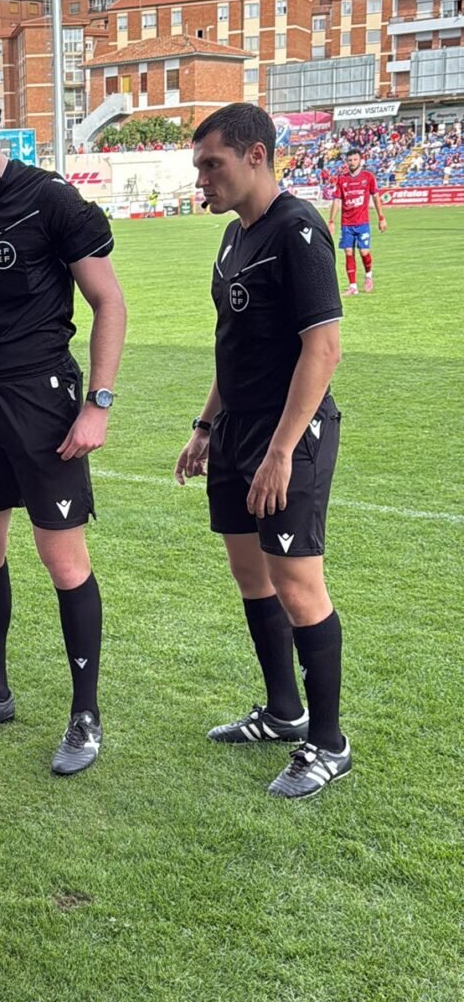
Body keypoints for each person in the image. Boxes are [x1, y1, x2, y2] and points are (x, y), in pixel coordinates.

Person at [0, 65, 127, 775]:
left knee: (62, 561)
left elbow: (110, 305)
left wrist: (96, 404)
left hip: (40, 397)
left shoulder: (50, 202)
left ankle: (85, 715)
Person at [175, 102, 350, 799]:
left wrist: (281, 450)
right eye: (197, 168)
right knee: (251, 576)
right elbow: (234, 347)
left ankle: (328, 743)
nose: (202, 181)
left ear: (254, 155)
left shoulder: (298, 229)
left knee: (298, 587)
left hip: (290, 435)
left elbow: (323, 348)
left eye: (211, 165)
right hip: (237, 429)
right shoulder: (231, 238)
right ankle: (283, 712)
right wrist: (204, 425)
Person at [327, 148, 387, 296]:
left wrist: (381, 217)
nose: (352, 162)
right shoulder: (342, 179)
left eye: (355, 159)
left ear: (360, 160)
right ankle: (353, 286)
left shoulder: (368, 177)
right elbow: (336, 200)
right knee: (348, 252)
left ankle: (368, 275)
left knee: (364, 251)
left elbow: (375, 197)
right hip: (346, 223)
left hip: (362, 223)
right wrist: (331, 221)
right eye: (349, 160)